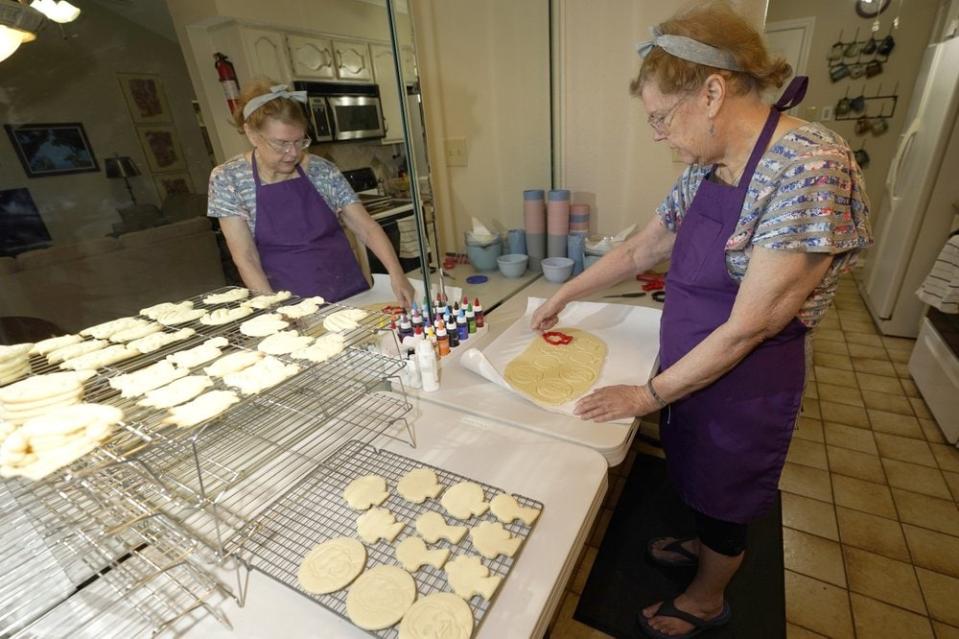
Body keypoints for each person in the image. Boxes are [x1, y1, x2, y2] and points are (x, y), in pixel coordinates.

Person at [531, 3, 872, 637]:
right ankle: (704, 545)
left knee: (727, 490)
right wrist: (564, 295)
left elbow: (750, 326)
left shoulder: (809, 168)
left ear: (712, 93)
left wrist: (646, 392)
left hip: (747, 377)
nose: (658, 133)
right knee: (693, 470)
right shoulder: (710, 165)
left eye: (661, 117)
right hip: (692, 357)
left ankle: (709, 596)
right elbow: (645, 246)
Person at [207, 80, 415, 306]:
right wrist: (274, 310)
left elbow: (366, 227)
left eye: (299, 141)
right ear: (252, 134)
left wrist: (397, 274)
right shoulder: (228, 179)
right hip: (289, 304)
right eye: (281, 143)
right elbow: (246, 257)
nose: (292, 153)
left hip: (349, 291)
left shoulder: (322, 170)